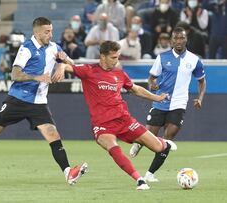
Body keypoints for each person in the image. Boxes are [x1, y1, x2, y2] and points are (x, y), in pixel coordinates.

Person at [0, 17, 88, 186]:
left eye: (51, 31)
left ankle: (68, 173)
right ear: (37, 32)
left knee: (53, 134)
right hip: (18, 99)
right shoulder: (27, 48)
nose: (51, 34)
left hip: (39, 103)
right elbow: (15, 74)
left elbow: (72, 64)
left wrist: (63, 64)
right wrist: (37, 77)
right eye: (47, 32)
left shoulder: (54, 47)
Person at [53, 40, 177, 190]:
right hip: (102, 125)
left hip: (124, 120)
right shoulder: (88, 70)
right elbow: (68, 66)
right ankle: (139, 180)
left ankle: (162, 142)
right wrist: (61, 67)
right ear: (103, 56)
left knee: (159, 148)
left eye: (117, 57)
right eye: (113, 57)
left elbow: (135, 89)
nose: (116, 61)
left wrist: (157, 98)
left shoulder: (119, 74)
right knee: (113, 147)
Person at [129, 27, 206, 182]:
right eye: (176, 38)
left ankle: (150, 174)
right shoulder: (162, 57)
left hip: (179, 104)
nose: (179, 41)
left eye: (181, 38)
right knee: (149, 136)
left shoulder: (194, 60)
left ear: (186, 40)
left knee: (168, 140)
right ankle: (139, 143)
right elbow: (151, 78)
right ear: (172, 40)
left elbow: (202, 81)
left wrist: (200, 98)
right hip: (161, 101)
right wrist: (153, 85)